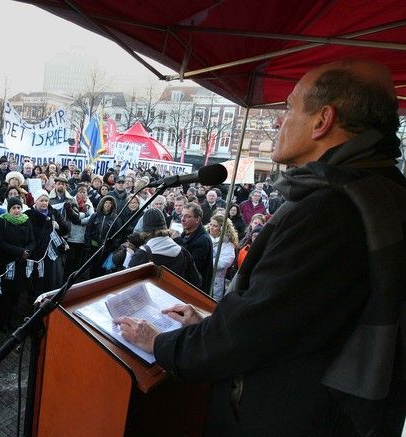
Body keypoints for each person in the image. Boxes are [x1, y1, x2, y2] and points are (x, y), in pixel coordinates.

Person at [115, 60, 406, 436]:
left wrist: (157, 341)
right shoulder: (383, 192)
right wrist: (208, 323)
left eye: (288, 107)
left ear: (323, 121)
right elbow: (288, 320)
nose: (277, 121)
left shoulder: (329, 209)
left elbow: (252, 331)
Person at [128, 209, 201, 287]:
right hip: (174, 297)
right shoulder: (183, 252)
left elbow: (129, 283)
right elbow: (196, 281)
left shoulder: (141, 254)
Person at [0, 197, 35, 332]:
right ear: (9, 209)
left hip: (22, 263)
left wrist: (27, 251)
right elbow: (0, 242)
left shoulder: (26, 221)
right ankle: (1, 322)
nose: (16, 211)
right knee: (6, 295)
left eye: (18, 208)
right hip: (7, 263)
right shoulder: (2, 221)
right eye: (14, 208)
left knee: (16, 295)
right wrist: (19, 251)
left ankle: (11, 321)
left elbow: (32, 240)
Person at [26, 190, 70, 295]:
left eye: (46, 200)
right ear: (35, 202)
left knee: (52, 280)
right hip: (36, 254)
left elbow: (66, 229)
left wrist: (58, 227)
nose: (44, 203)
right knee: (36, 282)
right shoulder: (28, 214)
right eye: (41, 200)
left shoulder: (53, 212)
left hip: (53, 255)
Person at [175, 203, 213, 293]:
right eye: (182, 215)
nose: (183, 219)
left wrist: (177, 241)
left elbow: (192, 268)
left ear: (197, 219)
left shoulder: (202, 240)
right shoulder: (186, 233)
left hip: (194, 290)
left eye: (187, 216)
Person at [207, 214, 238, 300]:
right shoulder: (205, 238)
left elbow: (223, 263)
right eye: (211, 225)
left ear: (222, 228)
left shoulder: (228, 244)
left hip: (216, 280)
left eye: (215, 226)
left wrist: (206, 261)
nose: (211, 227)